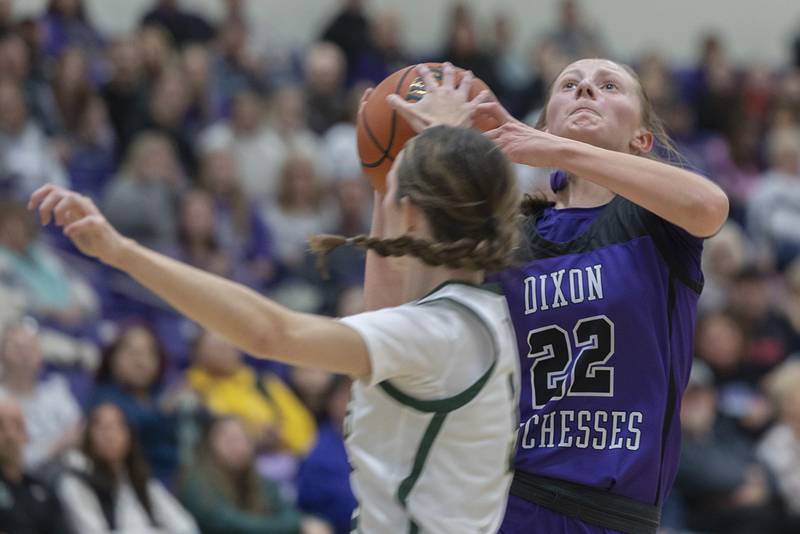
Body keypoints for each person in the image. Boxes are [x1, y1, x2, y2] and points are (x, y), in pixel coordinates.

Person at [29, 65, 522, 533]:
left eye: (394, 195)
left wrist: (124, 253)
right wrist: (404, 170)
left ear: (410, 213)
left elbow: (270, 332)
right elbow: (387, 303)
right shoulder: (477, 317)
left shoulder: (436, 335)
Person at [463, 57, 728, 533]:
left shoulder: (654, 218)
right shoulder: (507, 238)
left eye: (609, 86)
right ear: (543, 125)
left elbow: (710, 206)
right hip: (507, 496)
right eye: (570, 84)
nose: (586, 90)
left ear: (641, 139)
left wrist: (561, 151)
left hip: (613, 513)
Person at [58, 402, 199, 534]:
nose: (111, 435)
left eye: (118, 426)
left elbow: (185, 525)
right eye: (102, 428)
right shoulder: (75, 481)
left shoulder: (138, 478)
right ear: (88, 435)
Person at [0, 397, 74, 534]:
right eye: (1, 427)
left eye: (17, 425)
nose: (9, 435)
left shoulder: (42, 489)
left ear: (26, 434)